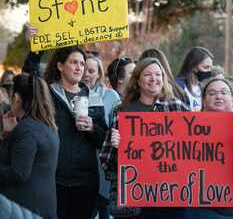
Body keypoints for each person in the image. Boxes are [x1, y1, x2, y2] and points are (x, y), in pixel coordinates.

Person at [100, 58, 189, 219]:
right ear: (138, 80)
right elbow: (107, 161)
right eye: (148, 74)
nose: (154, 79)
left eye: (158, 74)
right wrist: (118, 148)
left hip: (168, 194)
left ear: (163, 78)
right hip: (135, 198)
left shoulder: (177, 107)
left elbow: (192, 150)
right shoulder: (123, 111)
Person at [44, 46, 108, 219]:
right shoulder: (47, 94)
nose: (79, 67)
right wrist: (34, 54)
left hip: (85, 180)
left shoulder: (94, 98)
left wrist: (92, 129)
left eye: (82, 64)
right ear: (60, 65)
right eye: (73, 62)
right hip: (54, 178)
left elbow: (103, 140)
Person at [181, 77, 233, 219]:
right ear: (203, 100)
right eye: (212, 93)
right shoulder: (187, 128)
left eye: (224, 92)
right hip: (204, 209)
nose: (218, 96)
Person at [0, 73, 59, 219]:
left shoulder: (28, 130)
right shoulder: (45, 125)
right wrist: (8, 134)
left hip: (25, 210)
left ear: (17, 99)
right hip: (39, 208)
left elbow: (19, 173)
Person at [83, 54, 120, 219]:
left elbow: (115, 128)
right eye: (84, 69)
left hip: (102, 166)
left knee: (104, 211)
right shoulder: (71, 94)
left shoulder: (111, 96)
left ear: (99, 74)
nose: (86, 74)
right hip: (79, 168)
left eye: (91, 71)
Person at [176, 46, 214, 111]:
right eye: (206, 67)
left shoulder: (204, 88)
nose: (209, 71)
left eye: (210, 68)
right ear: (193, 66)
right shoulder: (178, 86)